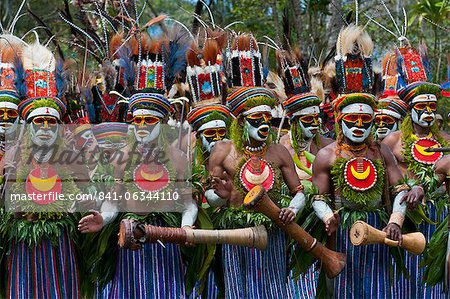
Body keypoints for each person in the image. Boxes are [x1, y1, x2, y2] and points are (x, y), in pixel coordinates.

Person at [2, 38, 90, 299]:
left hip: (60, 244)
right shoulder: (12, 156)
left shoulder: (71, 155)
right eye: (38, 120)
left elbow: (91, 194)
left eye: (50, 122)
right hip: (21, 246)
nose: (44, 127)